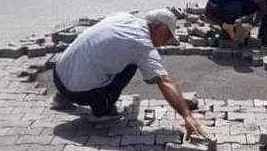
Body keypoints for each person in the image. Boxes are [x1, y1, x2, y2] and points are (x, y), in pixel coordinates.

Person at [51, 9, 210, 140]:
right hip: (80, 93)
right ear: (156, 26)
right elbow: (164, 81)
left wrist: (135, 103)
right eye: (167, 36)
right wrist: (187, 115)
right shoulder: (142, 45)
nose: (166, 42)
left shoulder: (123, 17)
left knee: (97, 55)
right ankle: (103, 111)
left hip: (58, 76)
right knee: (132, 64)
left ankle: (61, 97)